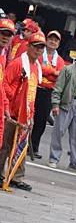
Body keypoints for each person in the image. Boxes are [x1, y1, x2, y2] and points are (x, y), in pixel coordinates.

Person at [0, 32, 45, 191]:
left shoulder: (37, 67)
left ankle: (16, 177)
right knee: (5, 145)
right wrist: (14, 99)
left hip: (26, 113)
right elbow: (4, 84)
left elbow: (32, 93)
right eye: (35, 46)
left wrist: (31, 114)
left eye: (41, 47)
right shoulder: (18, 63)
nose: (38, 50)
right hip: (12, 113)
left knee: (21, 147)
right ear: (28, 46)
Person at [48, 47, 76, 171]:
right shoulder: (68, 69)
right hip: (67, 103)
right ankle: (54, 158)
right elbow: (58, 88)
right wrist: (55, 104)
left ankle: (75, 162)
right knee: (59, 132)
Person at [31, 30, 65, 159]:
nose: (52, 41)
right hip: (35, 88)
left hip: (48, 93)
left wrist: (49, 73)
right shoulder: (39, 54)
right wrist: (52, 72)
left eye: (56, 40)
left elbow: (60, 77)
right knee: (27, 117)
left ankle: (34, 147)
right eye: (50, 38)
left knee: (41, 121)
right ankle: (21, 144)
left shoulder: (60, 60)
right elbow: (38, 69)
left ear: (59, 43)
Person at [0, 18, 16, 148]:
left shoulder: (3, 56)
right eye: (3, 33)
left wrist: (5, 105)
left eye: (9, 35)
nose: (5, 37)